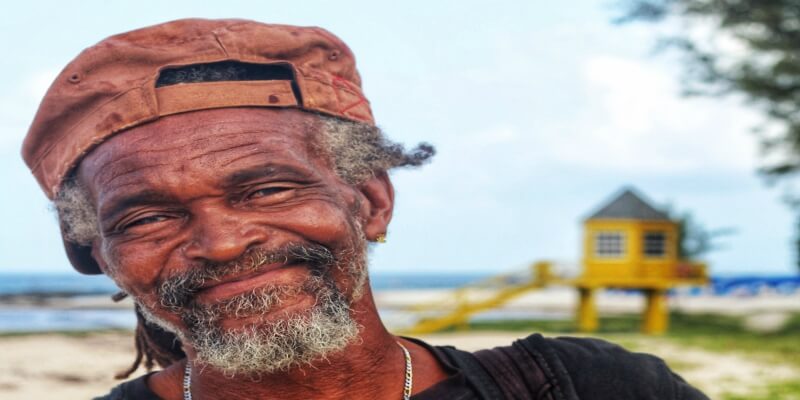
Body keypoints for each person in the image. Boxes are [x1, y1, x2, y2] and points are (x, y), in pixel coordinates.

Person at [22, 18, 708, 400]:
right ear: (100, 258)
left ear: (371, 199)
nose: (224, 243)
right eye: (145, 219)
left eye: (266, 189)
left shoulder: (588, 390)